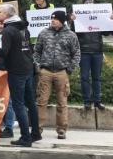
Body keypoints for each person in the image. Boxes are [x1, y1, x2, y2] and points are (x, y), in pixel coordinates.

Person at [0, 3, 40, 147]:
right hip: (28, 68)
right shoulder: (23, 27)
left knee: (18, 104)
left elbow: (3, 52)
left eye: (0, 12)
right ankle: (35, 133)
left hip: (17, 70)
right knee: (30, 102)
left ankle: (25, 137)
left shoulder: (8, 30)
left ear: (6, 15)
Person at [34, 10, 80, 140]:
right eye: (52, 19)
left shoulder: (71, 35)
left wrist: (69, 69)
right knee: (41, 101)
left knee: (62, 102)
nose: (53, 21)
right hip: (45, 71)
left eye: (56, 19)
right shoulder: (44, 33)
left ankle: (61, 130)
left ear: (62, 21)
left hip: (61, 72)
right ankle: (37, 129)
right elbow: (36, 51)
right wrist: (38, 67)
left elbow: (76, 53)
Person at [72, 0, 106, 111]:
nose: (89, 4)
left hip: (97, 51)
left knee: (97, 77)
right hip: (84, 51)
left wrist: (110, 19)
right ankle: (87, 101)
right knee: (84, 77)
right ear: (83, 5)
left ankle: (97, 101)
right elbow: (74, 32)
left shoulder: (100, 16)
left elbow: (106, 32)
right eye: (86, 2)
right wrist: (73, 21)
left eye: (91, 2)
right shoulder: (78, 16)